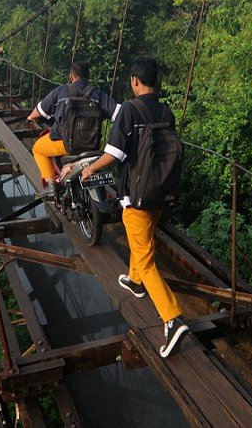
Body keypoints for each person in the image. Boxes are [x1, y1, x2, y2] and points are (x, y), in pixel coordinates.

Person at [80, 56, 188, 358]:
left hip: (138, 198)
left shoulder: (129, 109)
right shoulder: (166, 112)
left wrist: (90, 169)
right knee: (143, 245)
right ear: (157, 82)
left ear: (134, 81)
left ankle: (172, 319)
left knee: (146, 256)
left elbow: (113, 153)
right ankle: (135, 280)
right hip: (162, 195)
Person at [27, 61, 119, 199]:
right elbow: (120, 114)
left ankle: (51, 184)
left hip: (65, 144)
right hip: (92, 146)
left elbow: (38, 111)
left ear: (71, 76)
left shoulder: (61, 91)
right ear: (88, 76)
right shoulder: (98, 94)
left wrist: (30, 117)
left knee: (38, 149)